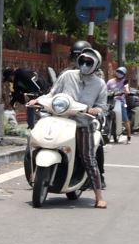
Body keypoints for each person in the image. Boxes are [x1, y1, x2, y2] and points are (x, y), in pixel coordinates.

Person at [32, 42, 109, 208]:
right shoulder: (67, 76)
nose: (85, 65)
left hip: (83, 123)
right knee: (35, 141)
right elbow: (52, 94)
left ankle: (99, 195)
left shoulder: (100, 84)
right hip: (60, 118)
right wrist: (38, 100)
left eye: (89, 63)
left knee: (88, 157)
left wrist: (95, 110)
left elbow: (102, 107)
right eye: (82, 61)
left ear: (96, 65)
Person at [105, 64, 127, 142]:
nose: (119, 73)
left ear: (124, 75)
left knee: (125, 118)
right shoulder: (110, 81)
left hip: (120, 101)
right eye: (118, 71)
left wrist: (124, 91)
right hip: (110, 100)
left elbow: (126, 90)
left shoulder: (124, 82)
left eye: (121, 72)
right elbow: (105, 90)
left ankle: (127, 133)